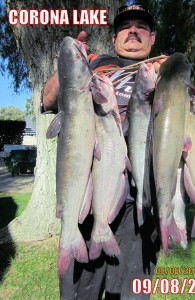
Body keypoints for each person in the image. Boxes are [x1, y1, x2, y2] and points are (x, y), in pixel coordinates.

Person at [42, 3, 168, 300]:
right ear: (114, 38)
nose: (133, 31)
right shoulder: (95, 63)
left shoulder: (161, 71)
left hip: (139, 208)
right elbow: (49, 101)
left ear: (152, 38)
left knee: (132, 294)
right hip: (90, 202)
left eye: (141, 27)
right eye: (125, 26)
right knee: (78, 294)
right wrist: (70, 63)